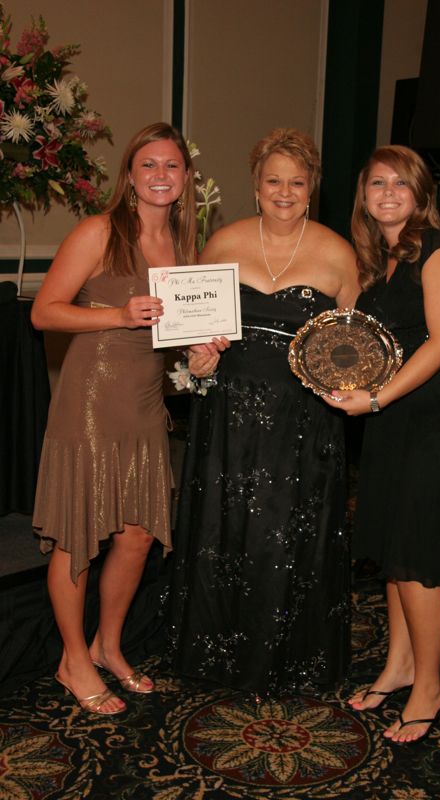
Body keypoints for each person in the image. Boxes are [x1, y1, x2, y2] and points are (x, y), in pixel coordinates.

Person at [167, 128, 358, 695]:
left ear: (311, 188)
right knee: (224, 528)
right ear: (256, 186)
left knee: (287, 532)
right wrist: (197, 355)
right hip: (227, 412)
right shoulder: (222, 242)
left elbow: (352, 348)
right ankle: (219, 652)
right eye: (273, 180)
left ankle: (287, 657)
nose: (284, 191)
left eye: (296, 182)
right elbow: (195, 335)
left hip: (304, 418)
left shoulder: (339, 253)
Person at [31, 122, 197, 715]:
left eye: (171, 166)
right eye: (148, 165)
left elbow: (172, 329)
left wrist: (200, 349)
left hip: (147, 403)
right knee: (80, 533)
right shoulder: (99, 231)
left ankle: (108, 644)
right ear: (129, 174)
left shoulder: (183, 246)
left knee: (138, 534)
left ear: (185, 178)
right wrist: (116, 315)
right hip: (92, 402)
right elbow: (45, 313)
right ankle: (72, 659)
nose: (160, 176)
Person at [323, 145, 440, 744]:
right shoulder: (383, 260)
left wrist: (374, 399)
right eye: (376, 183)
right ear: (363, 196)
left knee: (420, 557)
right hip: (393, 420)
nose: (388, 193)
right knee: (395, 550)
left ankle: (430, 686)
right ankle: (399, 665)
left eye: (400, 183)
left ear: (420, 194)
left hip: (437, 425)